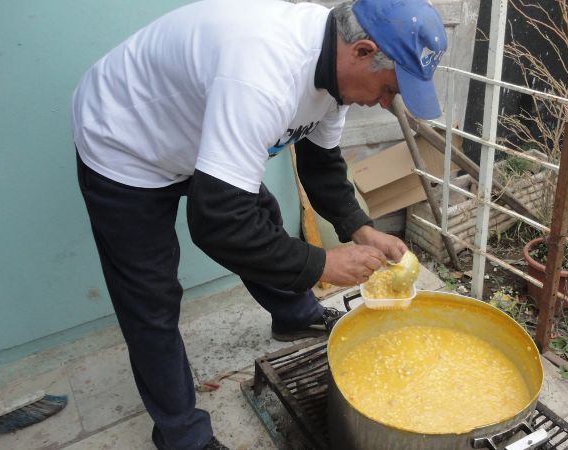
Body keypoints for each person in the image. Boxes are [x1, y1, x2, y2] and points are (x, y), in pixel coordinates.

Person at [71, 0, 447, 448]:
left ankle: (294, 317)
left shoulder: (337, 73)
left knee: (261, 217)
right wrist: (321, 264)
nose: (386, 104)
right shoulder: (264, 72)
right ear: (363, 51)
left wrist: (360, 227)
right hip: (126, 139)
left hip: (197, 131)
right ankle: (181, 436)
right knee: (150, 296)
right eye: (390, 89)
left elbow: (321, 164)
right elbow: (216, 226)